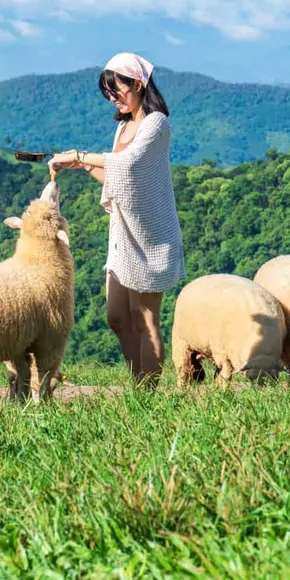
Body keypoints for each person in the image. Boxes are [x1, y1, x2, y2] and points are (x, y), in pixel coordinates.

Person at [48, 52, 185, 388]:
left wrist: (79, 155)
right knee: (117, 317)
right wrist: (80, 166)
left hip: (151, 236)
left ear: (138, 84)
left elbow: (130, 164)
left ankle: (146, 393)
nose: (112, 97)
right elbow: (117, 178)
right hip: (124, 234)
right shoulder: (124, 126)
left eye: (117, 89)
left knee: (145, 317)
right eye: (107, 92)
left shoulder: (156, 123)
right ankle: (137, 378)